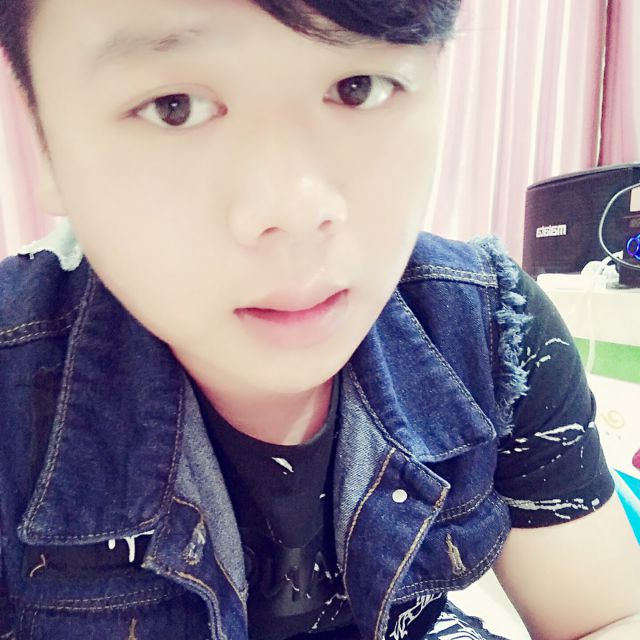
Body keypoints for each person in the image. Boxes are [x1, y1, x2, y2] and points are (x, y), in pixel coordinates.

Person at [0, 1, 638, 638]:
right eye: (175, 107)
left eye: (359, 87)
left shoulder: (488, 325)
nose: (298, 210)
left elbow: (604, 616)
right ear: (44, 142)